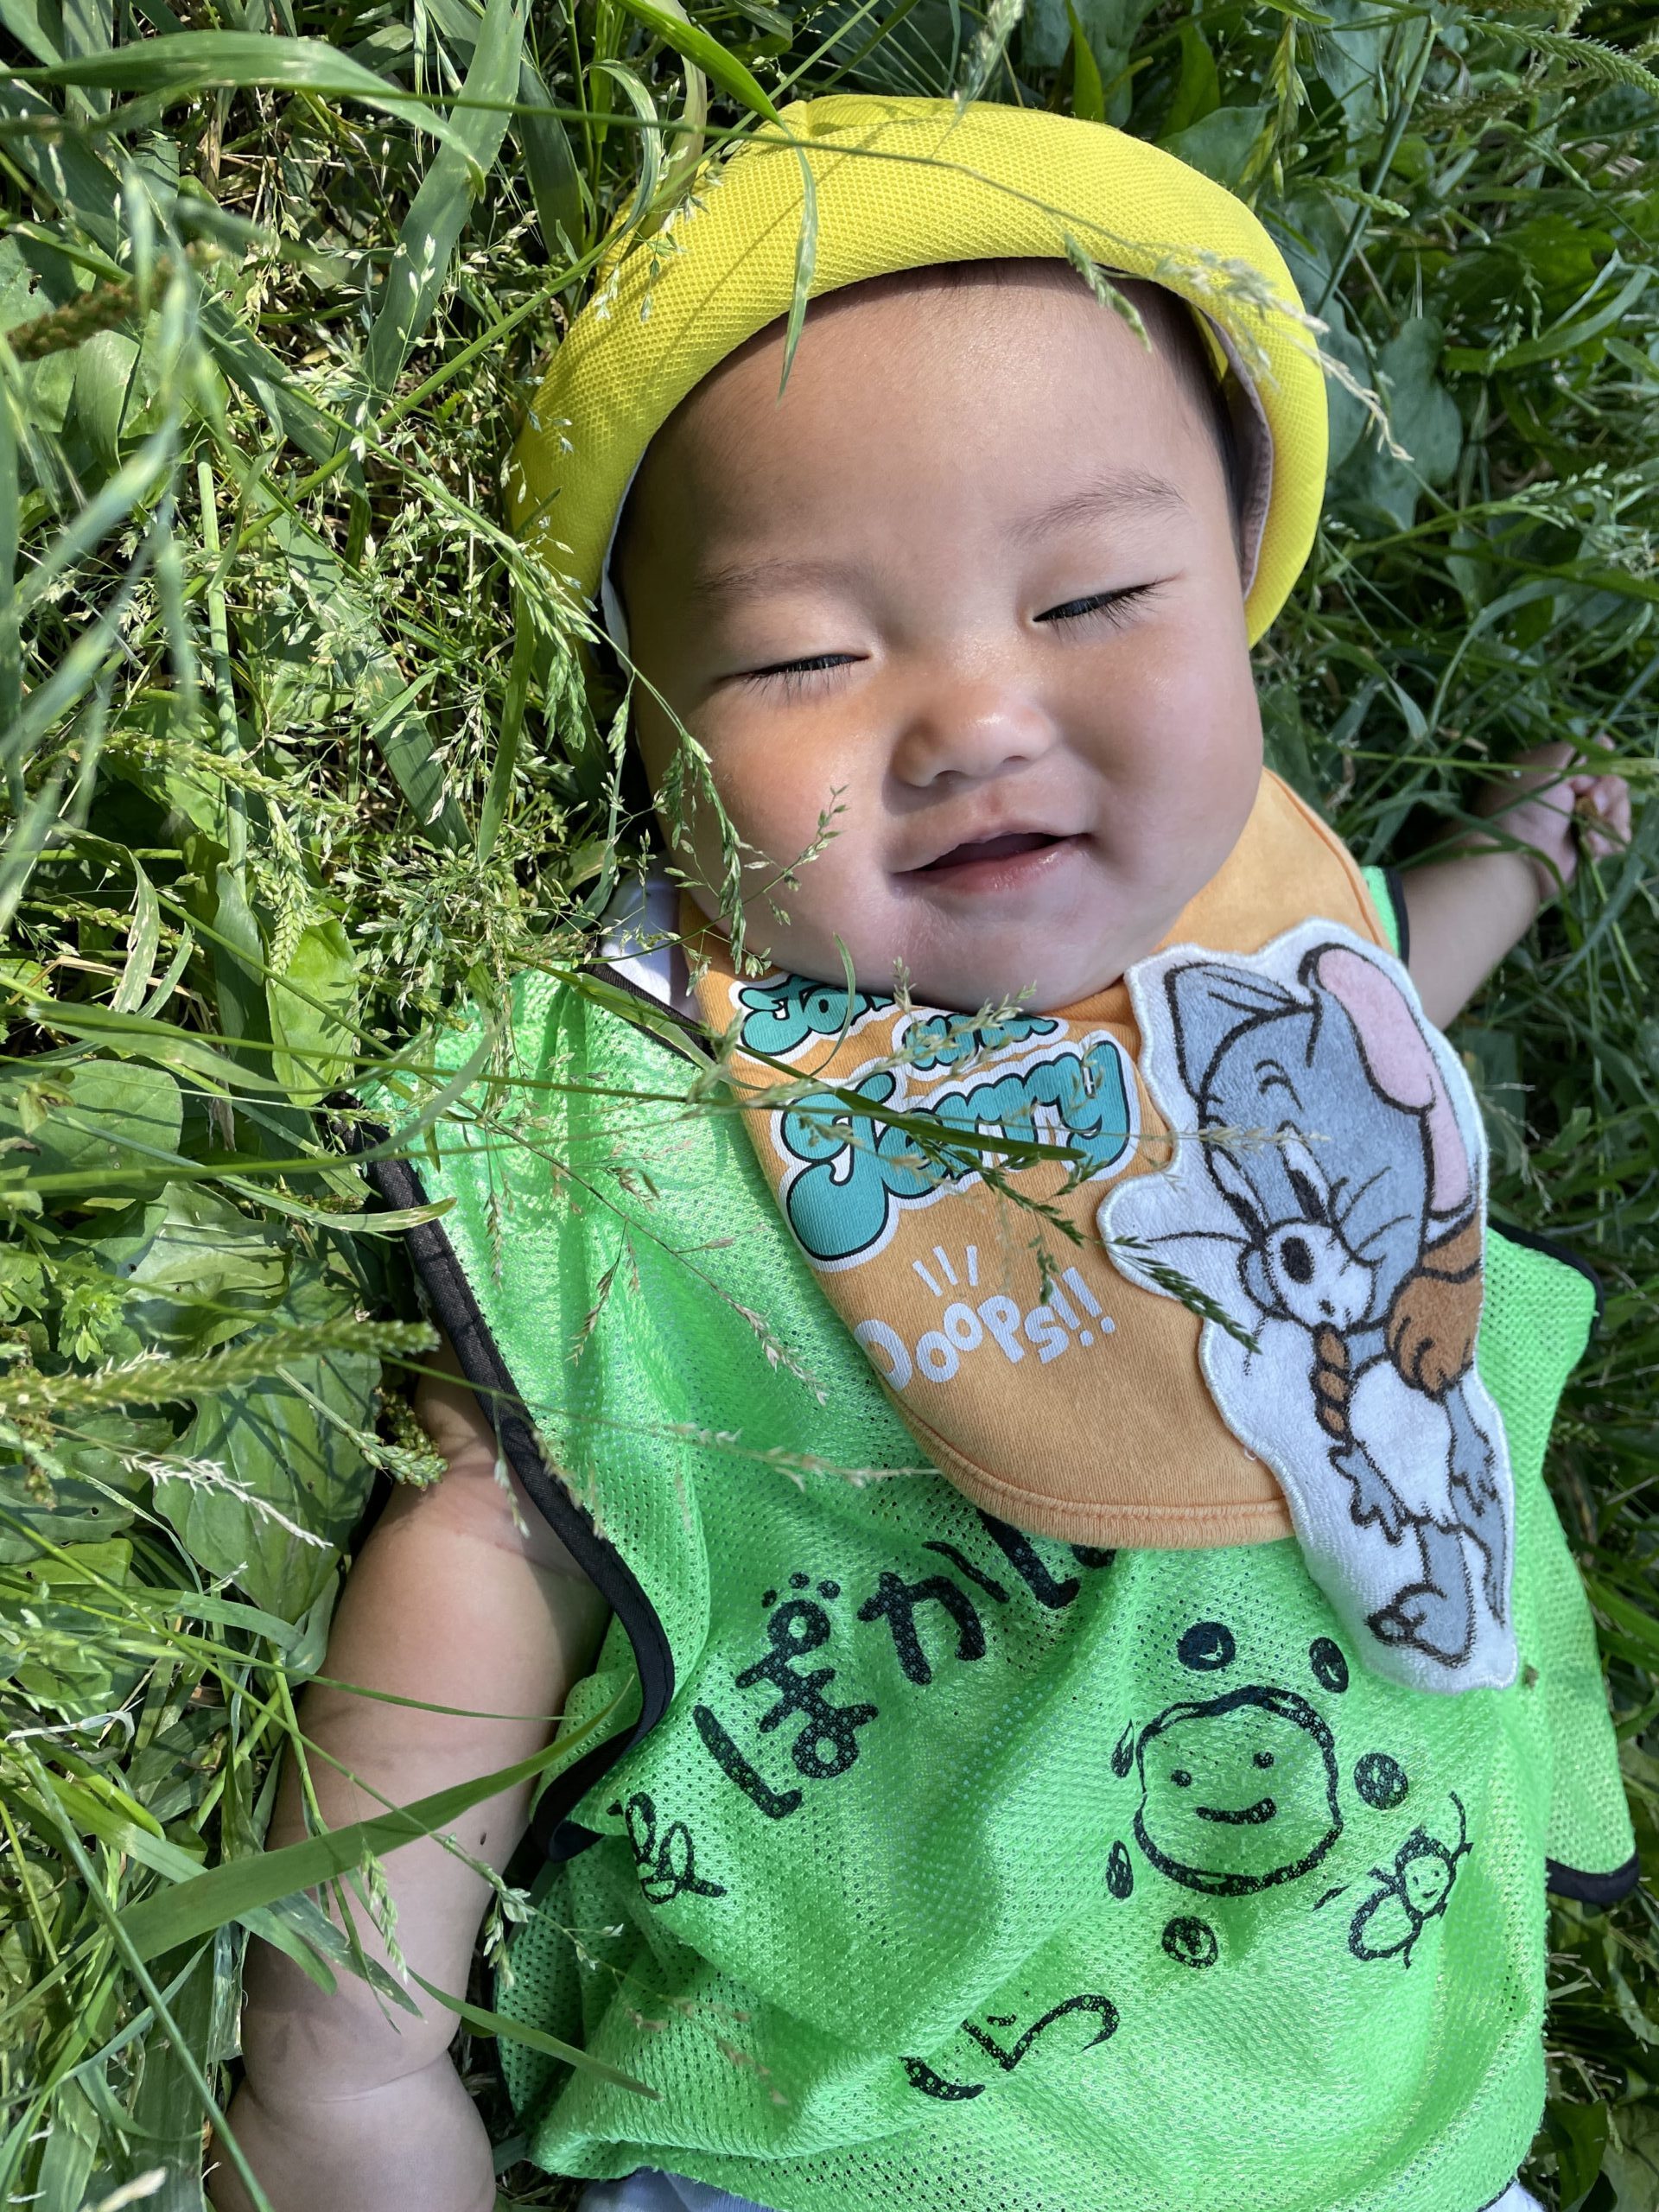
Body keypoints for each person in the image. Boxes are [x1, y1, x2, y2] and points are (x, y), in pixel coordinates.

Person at [211, 97, 1637, 2212]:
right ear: (650, 723)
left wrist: (1511, 858)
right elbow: (503, 1515)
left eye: (1099, 596)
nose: (973, 716)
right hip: (871, 2146)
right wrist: (349, 2049)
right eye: (804, 653)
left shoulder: (1270, 927)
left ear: (1238, 597)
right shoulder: (643, 1114)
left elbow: (1367, 1028)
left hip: (1402, 2129)